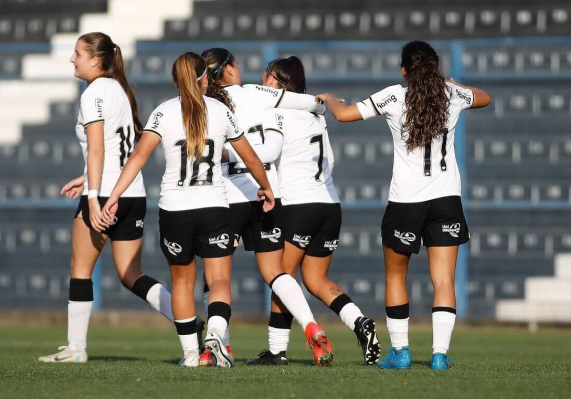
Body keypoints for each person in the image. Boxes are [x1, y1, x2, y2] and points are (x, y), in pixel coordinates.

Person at [317, 40, 491, 370]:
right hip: (446, 199)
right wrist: (456, 85)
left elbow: (343, 114)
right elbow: (485, 97)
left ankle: (401, 352)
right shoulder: (451, 95)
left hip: (406, 202)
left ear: (403, 70)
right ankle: (439, 355)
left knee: (397, 277)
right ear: (436, 68)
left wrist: (327, 99)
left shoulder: (394, 95)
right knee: (443, 281)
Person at [101, 52, 274, 368]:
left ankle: (192, 355)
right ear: (205, 78)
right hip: (212, 206)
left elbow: (138, 157)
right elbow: (249, 158)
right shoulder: (220, 110)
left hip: (175, 209)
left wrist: (114, 195)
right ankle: (216, 336)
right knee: (219, 280)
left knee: (182, 283)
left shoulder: (163, 113)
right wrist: (266, 187)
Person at [38, 32, 177, 363]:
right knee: (131, 275)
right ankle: (187, 323)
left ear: (95, 60)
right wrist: (85, 177)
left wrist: (92, 197)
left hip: (105, 194)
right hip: (133, 193)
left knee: (80, 268)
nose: (73, 59)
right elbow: (116, 149)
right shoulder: (118, 89)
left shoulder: (93, 93)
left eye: (78, 54)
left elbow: (99, 149)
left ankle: (76, 348)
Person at [200, 48, 333, 366]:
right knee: (276, 272)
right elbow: (313, 104)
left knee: (215, 278)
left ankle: (220, 347)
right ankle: (311, 326)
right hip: (266, 195)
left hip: (227, 197)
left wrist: (229, 156)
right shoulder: (258, 94)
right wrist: (321, 103)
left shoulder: (208, 105)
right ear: (230, 68)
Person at [255, 56, 380, 366]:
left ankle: (276, 351)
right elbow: (330, 157)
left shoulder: (276, 112)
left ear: (280, 83)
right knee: (315, 279)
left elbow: (269, 155)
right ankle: (359, 321)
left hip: (299, 205)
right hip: (329, 204)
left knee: (281, 276)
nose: (262, 80)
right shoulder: (316, 114)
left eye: (267, 76)